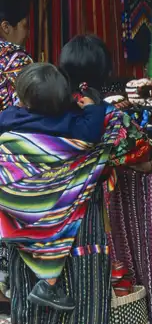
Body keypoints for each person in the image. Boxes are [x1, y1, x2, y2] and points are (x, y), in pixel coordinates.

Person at [3, 35, 149, 324]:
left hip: (24, 225)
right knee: (78, 292)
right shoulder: (96, 120)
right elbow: (137, 151)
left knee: (23, 289)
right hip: (76, 222)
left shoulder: (8, 123)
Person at [0, 63, 108, 311]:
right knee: (56, 218)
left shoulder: (9, 117)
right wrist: (94, 108)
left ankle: (45, 280)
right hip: (50, 196)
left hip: (14, 197)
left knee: (40, 221)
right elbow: (92, 134)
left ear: (24, 98)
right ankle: (49, 281)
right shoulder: (69, 122)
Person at [0, 0, 33, 303]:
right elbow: (25, 109)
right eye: (23, 26)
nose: (26, 33)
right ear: (5, 27)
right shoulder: (16, 59)